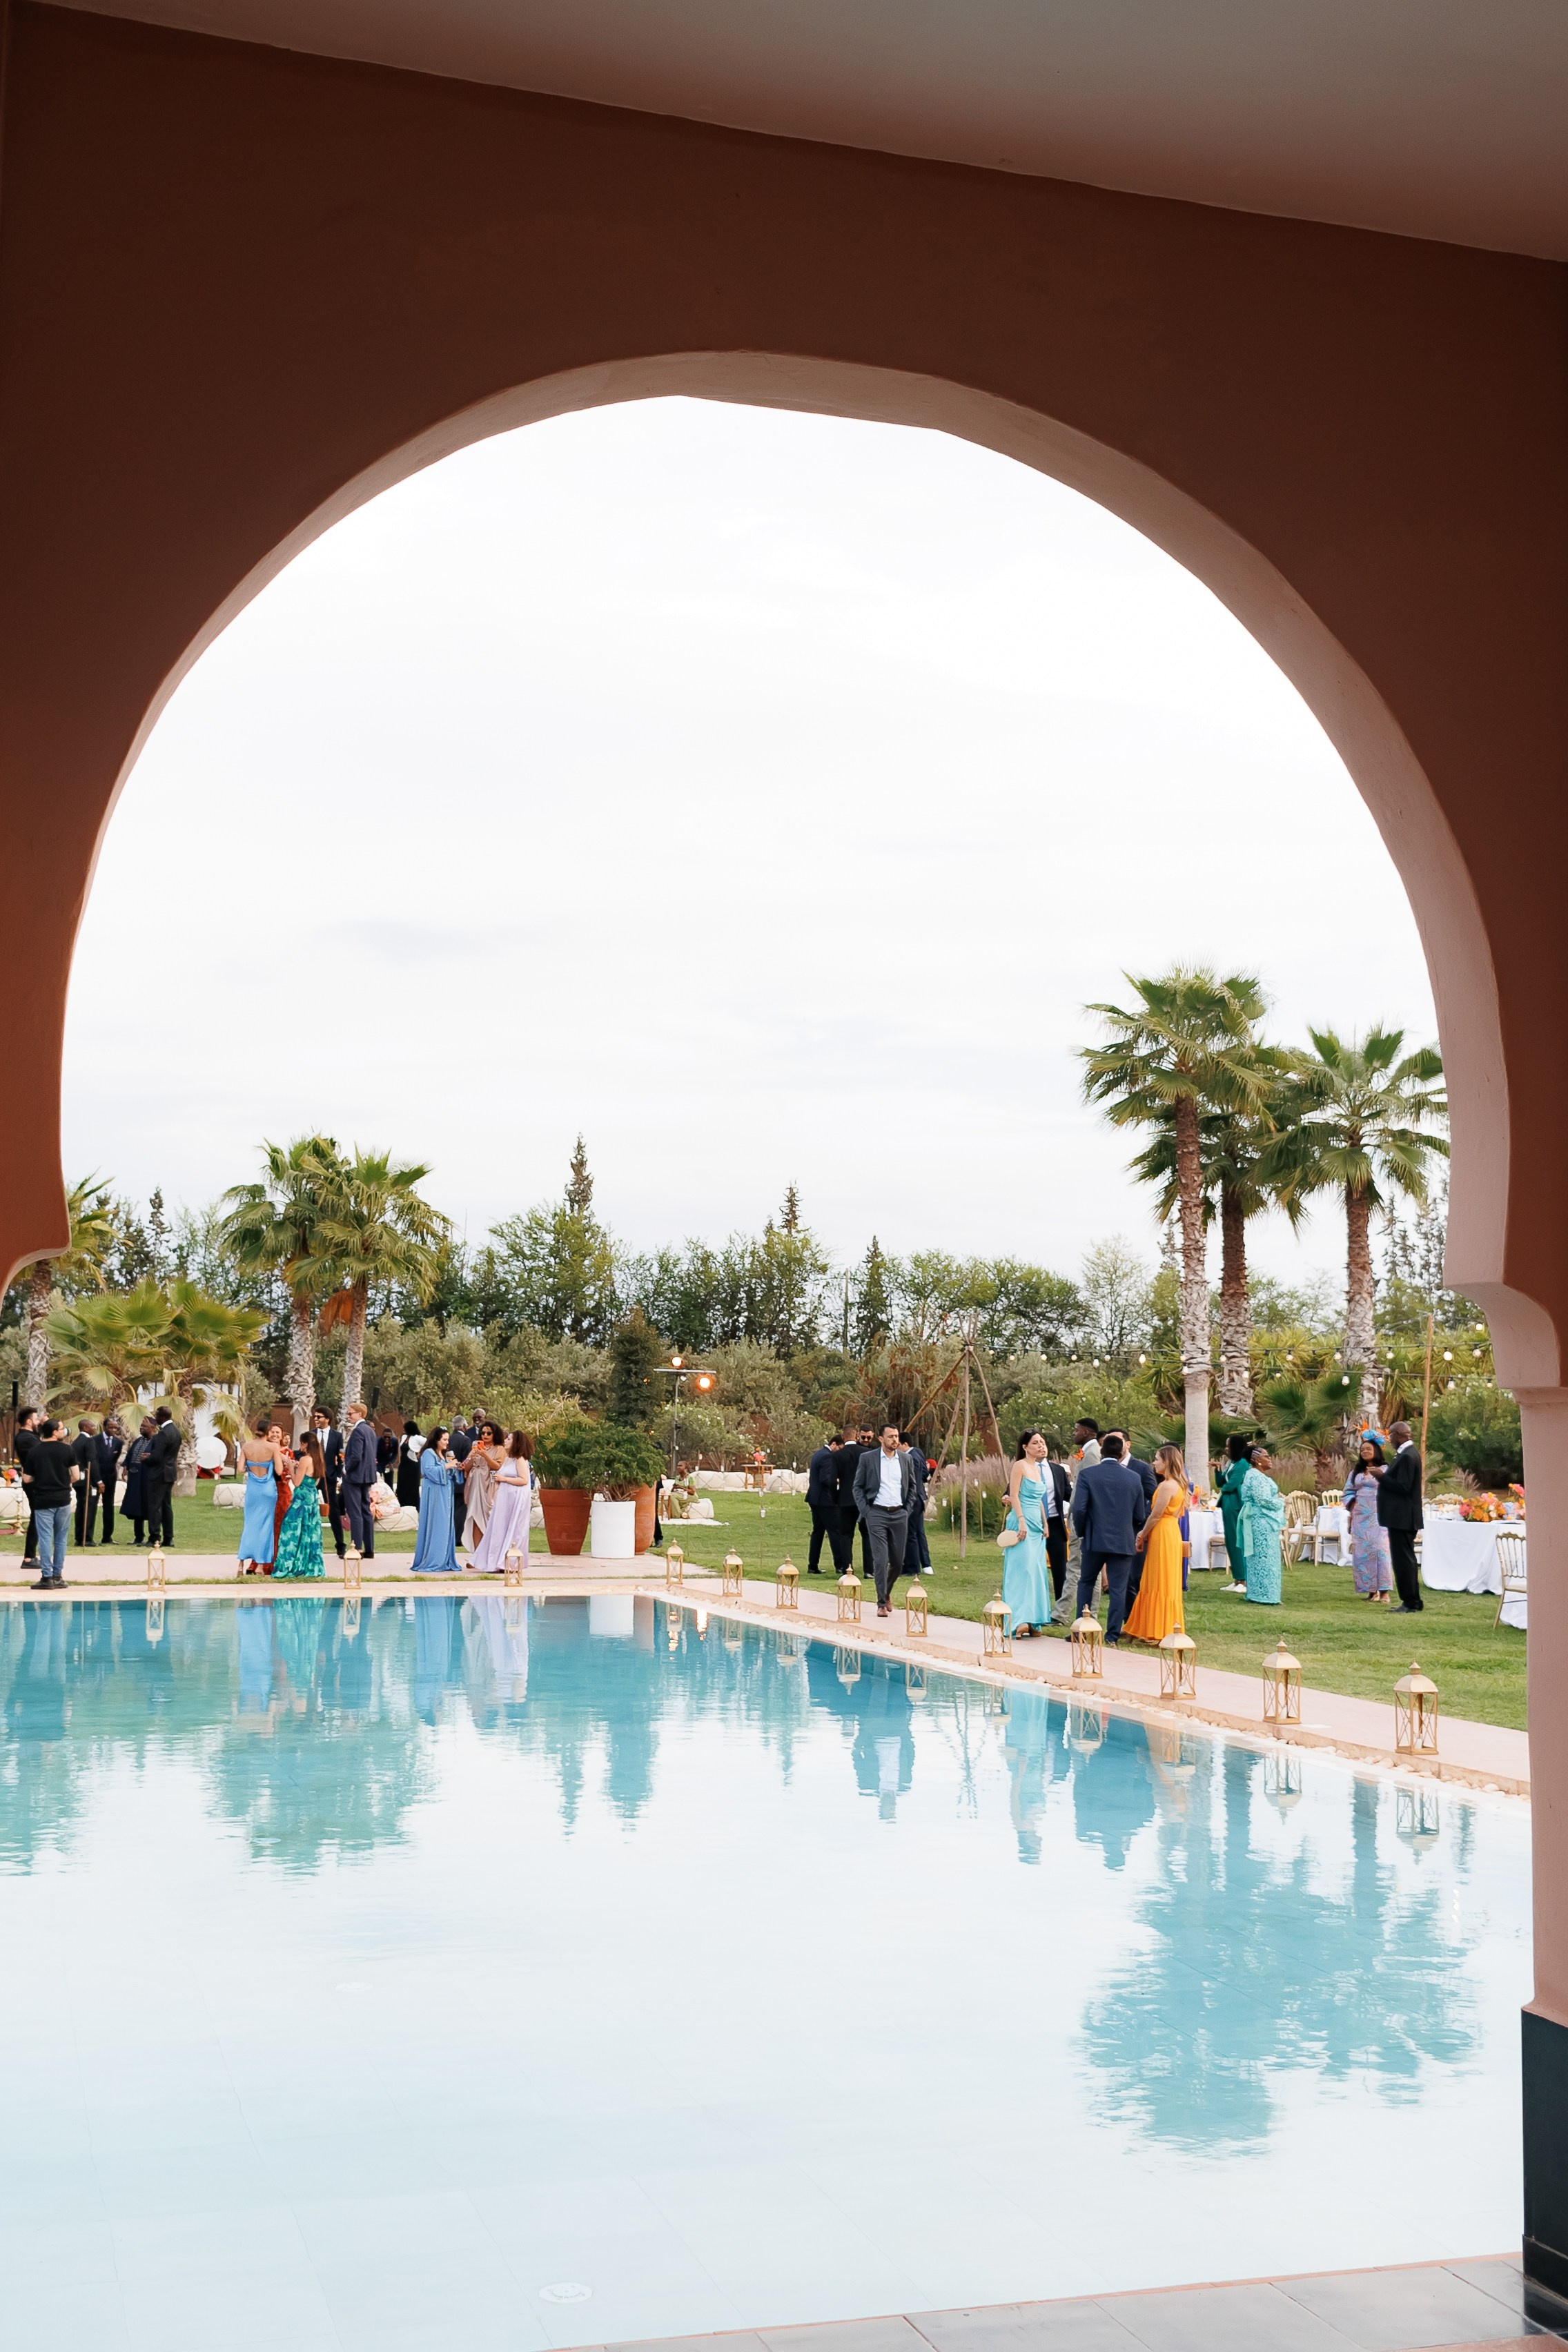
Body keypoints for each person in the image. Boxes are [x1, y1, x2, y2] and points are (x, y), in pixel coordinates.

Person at [1071, 1433, 1147, 1644]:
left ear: (1102, 1451)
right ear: (1122, 1452)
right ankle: (1112, 1635)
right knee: (1118, 1589)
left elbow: (1079, 1508)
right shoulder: (1133, 1478)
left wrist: (1083, 1531)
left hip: (1095, 1539)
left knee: (1086, 1582)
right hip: (1123, 1541)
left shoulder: (1089, 1475)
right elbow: (1140, 1515)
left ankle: (1081, 1630)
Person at [1124, 1443, 1190, 1644]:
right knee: (1161, 1578)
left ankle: (1156, 1628)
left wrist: (1142, 1534)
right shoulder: (1179, 1485)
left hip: (1162, 1531)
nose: (1154, 1463)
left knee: (1157, 1579)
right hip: (1171, 1532)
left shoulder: (1167, 1485)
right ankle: (1156, 1625)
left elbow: (1155, 1514)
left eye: (1157, 1459)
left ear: (1167, 1462)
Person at [852, 1424, 917, 1614]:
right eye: (890, 1437)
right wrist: (867, 1511)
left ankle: (886, 1592)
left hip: (899, 1514)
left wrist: (907, 1510)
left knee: (897, 1562)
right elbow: (857, 1487)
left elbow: (913, 1486)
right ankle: (881, 1603)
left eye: (896, 1436)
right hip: (877, 1513)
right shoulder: (868, 1459)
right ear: (881, 1439)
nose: (895, 1440)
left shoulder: (906, 1460)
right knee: (880, 1559)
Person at [1001, 1431, 1055, 1637]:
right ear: (1025, 1447)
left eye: (1042, 1442)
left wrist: (1045, 1523)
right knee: (1021, 1569)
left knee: (1036, 1571)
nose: (1041, 1446)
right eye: (1035, 1443)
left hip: (1036, 1525)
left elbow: (1040, 1499)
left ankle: (1034, 1619)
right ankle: (1018, 1619)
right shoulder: (1020, 1466)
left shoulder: (1037, 1468)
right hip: (1021, 1521)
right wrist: (1021, 1520)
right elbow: (1014, 1495)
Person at [1377, 1418, 1424, 1611]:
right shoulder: (1406, 1454)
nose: (1389, 1440)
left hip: (1403, 1518)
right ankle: (1412, 1601)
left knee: (1403, 1561)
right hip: (1402, 1518)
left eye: (1390, 1436)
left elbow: (1403, 1486)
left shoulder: (1407, 1456)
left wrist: (1382, 1477)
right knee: (1406, 1559)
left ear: (1398, 1435)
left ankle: (1411, 1602)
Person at [473, 1431, 536, 1573]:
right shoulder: (509, 1459)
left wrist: (505, 1479)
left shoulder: (520, 1459)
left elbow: (524, 1480)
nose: (505, 1441)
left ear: (516, 1443)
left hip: (516, 1498)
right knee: (500, 1527)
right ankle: (496, 1560)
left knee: (514, 1529)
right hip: (504, 1497)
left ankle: (511, 1561)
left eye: (509, 1439)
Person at [28, 1417, 79, 1589]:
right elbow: (77, 1476)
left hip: (43, 1500)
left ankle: (46, 1577)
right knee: (61, 1539)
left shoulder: (35, 1451)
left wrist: (40, 1478)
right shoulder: (68, 1450)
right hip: (63, 1499)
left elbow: (27, 1478)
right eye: (62, 1428)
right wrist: (66, 1482)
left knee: (45, 1538)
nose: (64, 1430)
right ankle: (58, 1576)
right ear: (55, 1432)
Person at [1344, 1432, 1395, 1600]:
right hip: (1360, 1518)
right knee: (1363, 1554)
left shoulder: (1386, 1469)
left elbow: (1392, 1488)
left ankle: (1385, 1592)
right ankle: (1372, 1591)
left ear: (1377, 1451)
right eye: (1362, 1449)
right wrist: (1352, 1504)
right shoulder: (1356, 1472)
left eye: (1368, 1449)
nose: (1364, 1452)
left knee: (1381, 1551)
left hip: (1379, 1515)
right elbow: (1348, 1491)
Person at [273, 1430, 327, 1578]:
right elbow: (314, 1481)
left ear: (305, 1444)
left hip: (301, 1500)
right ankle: (307, 1563)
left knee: (291, 1529)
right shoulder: (318, 1460)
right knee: (309, 1532)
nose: (300, 1446)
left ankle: (291, 1564)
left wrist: (290, 1465)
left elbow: (297, 1483)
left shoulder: (305, 1459)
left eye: (301, 1443)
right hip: (312, 1499)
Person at [237, 1413, 284, 1575]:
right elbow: (279, 1470)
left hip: (253, 1490)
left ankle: (242, 1562)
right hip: (268, 1490)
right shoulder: (273, 1447)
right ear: (268, 1432)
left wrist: (253, 1467)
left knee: (249, 1524)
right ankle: (261, 1565)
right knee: (265, 1526)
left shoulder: (247, 1446)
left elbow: (240, 1469)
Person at [411, 1424, 461, 1574]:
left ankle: (445, 1559)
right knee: (437, 1522)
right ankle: (433, 1560)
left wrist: (454, 1467)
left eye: (447, 1439)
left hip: (446, 1493)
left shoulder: (443, 1455)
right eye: (444, 1439)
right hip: (434, 1494)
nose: (447, 1442)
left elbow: (449, 1475)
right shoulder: (428, 1453)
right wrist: (447, 1467)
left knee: (446, 1524)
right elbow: (428, 1471)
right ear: (437, 1440)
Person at [1239, 1444, 1286, 1605]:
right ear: (1257, 1460)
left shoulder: (1255, 1475)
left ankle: (1258, 1592)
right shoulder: (1256, 1476)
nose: (1270, 1458)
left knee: (1259, 1557)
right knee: (1265, 1558)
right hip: (1262, 1521)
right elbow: (1263, 1499)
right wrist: (1281, 1502)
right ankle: (1266, 1595)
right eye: (1267, 1456)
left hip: (1258, 1519)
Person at [461, 1419, 506, 1555]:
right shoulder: (475, 1448)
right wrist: (471, 1456)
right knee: (474, 1517)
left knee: (489, 1517)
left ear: (494, 1435)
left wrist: (485, 1455)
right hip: (475, 1484)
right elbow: (466, 1468)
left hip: (489, 1486)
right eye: (483, 1433)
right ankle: (476, 1554)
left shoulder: (499, 1449)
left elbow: (498, 1466)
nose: (485, 1435)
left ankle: (491, 1554)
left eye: (489, 1433)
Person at [340, 1400, 378, 1560]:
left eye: (350, 1413)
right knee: (366, 1511)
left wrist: (346, 1468)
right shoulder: (370, 1430)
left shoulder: (358, 1431)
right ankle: (369, 1549)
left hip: (355, 1477)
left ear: (360, 1414)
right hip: (367, 1476)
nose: (348, 1416)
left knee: (355, 1513)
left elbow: (356, 1455)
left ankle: (357, 1548)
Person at [805, 1434, 845, 1573]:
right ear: (834, 1444)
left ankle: (813, 1565)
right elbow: (826, 1479)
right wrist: (839, 1482)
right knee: (835, 1532)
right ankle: (840, 1565)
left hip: (814, 1499)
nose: (840, 1451)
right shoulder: (828, 1457)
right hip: (825, 1501)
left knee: (818, 1532)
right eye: (840, 1448)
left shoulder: (818, 1454)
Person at [1218, 1432, 1252, 1593]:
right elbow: (1220, 1482)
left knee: (1238, 1542)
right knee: (1230, 1541)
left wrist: (1224, 1488)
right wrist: (1218, 1470)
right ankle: (1237, 1578)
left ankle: (1244, 1580)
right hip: (1227, 1505)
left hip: (1235, 1505)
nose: (1226, 1448)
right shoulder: (1232, 1463)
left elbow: (1230, 1485)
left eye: (1228, 1445)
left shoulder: (1243, 1464)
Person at [311, 1404, 345, 1560]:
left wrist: (338, 1476)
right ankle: (309, 1546)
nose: (316, 1419)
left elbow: (341, 1457)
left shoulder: (337, 1436)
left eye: (319, 1417)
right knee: (309, 1511)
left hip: (329, 1478)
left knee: (334, 1511)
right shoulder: (310, 1435)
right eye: (315, 1417)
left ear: (327, 1419)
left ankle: (340, 1545)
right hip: (312, 1477)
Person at [144, 1405, 181, 1546]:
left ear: (162, 1417)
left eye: (157, 1415)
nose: (155, 1418)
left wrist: (147, 1458)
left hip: (159, 1474)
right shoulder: (176, 1431)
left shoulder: (163, 1433)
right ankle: (168, 1538)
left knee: (155, 1506)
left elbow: (158, 1457)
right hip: (170, 1472)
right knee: (166, 1506)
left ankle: (154, 1537)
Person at [901, 1431, 933, 1577]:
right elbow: (925, 1474)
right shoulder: (918, 1452)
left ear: (904, 1444)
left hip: (913, 1499)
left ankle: (912, 1567)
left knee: (910, 1533)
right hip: (920, 1497)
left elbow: (911, 1479)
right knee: (919, 1532)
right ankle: (926, 1564)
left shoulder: (910, 1457)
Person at [120, 1416, 155, 1542]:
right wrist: (126, 1466)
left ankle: (153, 1536)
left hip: (147, 1478)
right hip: (135, 1478)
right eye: (141, 1426)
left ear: (152, 1428)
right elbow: (130, 1455)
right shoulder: (138, 1440)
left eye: (144, 1427)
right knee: (136, 1506)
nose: (141, 1428)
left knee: (148, 1505)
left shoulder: (155, 1442)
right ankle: (138, 1537)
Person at [14, 1404, 41, 1567]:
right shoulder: (25, 1439)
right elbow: (40, 1453)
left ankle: (31, 1555)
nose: (38, 1422)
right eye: (36, 1419)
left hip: (36, 1481)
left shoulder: (31, 1436)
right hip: (33, 1483)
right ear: (30, 1422)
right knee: (37, 1518)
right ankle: (29, 1557)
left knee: (38, 1518)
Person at [71, 1417, 102, 1547]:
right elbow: (92, 1461)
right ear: (85, 1428)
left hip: (79, 1481)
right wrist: (99, 1481)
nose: (94, 1428)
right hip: (89, 1481)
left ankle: (79, 1538)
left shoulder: (75, 1442)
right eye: (92, 1426)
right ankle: (87, 1538)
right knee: (89, 1509)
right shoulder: (89, 1441)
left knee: (80, 1509)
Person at [96, 1417, 124, 1543]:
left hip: (110, 1477)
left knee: (109, 1506)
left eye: (115, 1428)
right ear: (104, 1427)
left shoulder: (118, 1442)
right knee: (91, 1506)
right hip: (96, 1477)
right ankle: (88, 1537)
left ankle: (107, 1537)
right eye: (110, 1427)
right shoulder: (94, 1440)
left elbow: (114, 1460)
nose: (113, 1430)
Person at [394, 1419, 424, 1509]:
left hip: (413, 1466)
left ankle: (413, 1505)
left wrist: (420, 1453)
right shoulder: (404, 1438)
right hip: (403, 1465)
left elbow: (428, 1444)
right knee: (402, 1484)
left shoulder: (418, 1438)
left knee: (412, 1485)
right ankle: (402, 1503)